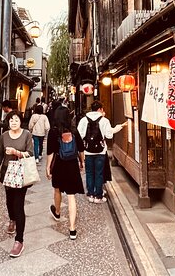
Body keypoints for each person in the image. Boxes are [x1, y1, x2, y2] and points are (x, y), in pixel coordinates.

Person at [0, 111, 34, 258]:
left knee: (18, 205)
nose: (13, 122)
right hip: (6, 174)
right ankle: (12, 219)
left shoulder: (27, 135)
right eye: (11, 120)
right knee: (9, 202)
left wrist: (17, 152)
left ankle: (19, 241)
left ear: (20, 121)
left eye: (16, 120)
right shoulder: (4, 136)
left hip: (20, 174)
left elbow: (31, 153)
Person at [46, 106, 84, 240]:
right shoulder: (74, 130)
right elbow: (81, 148)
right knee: (71, 196)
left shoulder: (53, 132)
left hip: (59, 164)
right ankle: (72, 229)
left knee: (57, 189)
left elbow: (50, 151)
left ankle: (57, 212)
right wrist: (82, 162)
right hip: (72, 164)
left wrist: (48, 167)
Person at [77, 100, 126, 203]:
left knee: (89, 173)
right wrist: (119, 127)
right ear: (99, 109)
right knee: (99, 173)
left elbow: (79, 135)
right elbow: (109, 135)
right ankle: (98, 196)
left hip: (87, 151)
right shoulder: (104, 120)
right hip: (100, 151)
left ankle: (90, 195)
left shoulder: (83, 120)